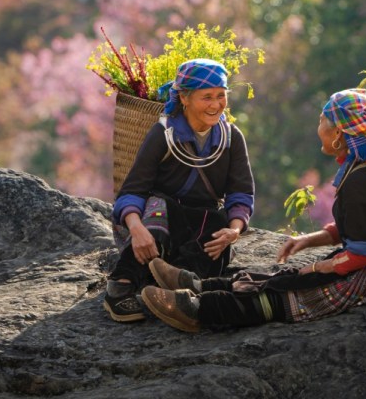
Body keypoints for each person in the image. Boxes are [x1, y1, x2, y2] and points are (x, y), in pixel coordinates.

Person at [140, 88, 366, 332]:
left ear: (339, 132)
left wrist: (320, 267)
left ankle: (199, 310)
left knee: (290, 295)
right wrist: (308, 241)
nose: (319, 125)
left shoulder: (363, 180)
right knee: (285, 275)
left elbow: (364, 252)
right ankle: (200, 284)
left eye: (323, 119)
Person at [103, 58, 255, 323]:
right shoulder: (163, 134)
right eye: (206, 97)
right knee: (157, 209)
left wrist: (234, 230)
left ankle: (176, 287)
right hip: (160, 219)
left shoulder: (231, 138)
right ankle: (120, 287)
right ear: (184, 98)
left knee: (217, 223)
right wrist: (137, 230)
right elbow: (132, 192)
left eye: (221, 96)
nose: (216, 104)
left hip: (200, 219)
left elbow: (240, 194)